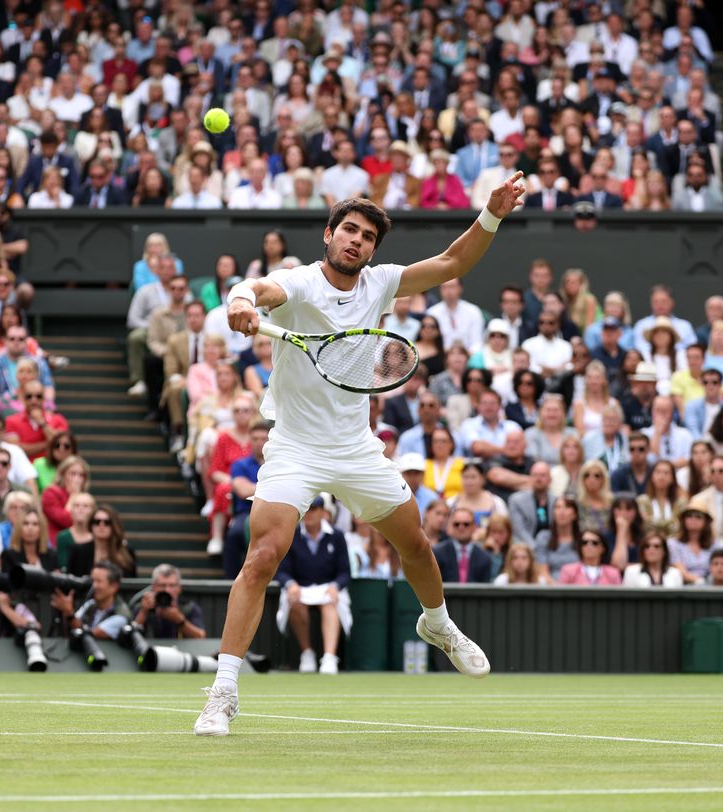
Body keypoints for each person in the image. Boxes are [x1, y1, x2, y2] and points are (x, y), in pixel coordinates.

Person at [195, 185, 525, 735]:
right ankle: (222, 692)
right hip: (296, 447)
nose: (357, 241)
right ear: (329, 235)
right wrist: (241, 302)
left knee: (415, 544)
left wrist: (491, 211)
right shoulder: (299, 282)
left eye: (367, 237)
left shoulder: (381, 283)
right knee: (263, 556)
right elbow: (257, 286)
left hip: (355, 447)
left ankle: (438, 624)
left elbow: (452, 260)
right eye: (349, 230)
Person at [273, 496, 352, 673]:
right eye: (306, 510)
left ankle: (329, 657)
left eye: (314, 509)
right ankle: (307, 653)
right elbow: (282, 570)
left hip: (327, 588)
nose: (309, 514)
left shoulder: (337, 536)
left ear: (323, 512)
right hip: (301, 588)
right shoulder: (291, 535)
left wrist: (336, 586)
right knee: (294, 602)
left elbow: (345, 572)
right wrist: (291, 584)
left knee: (331, 604)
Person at [557, 529, 622, 585]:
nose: (589, 546)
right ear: (580, 547)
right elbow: (561, 596)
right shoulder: (568, 571)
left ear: (603, 548)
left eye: (594, 543)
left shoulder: (613, 573)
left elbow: (619, 597)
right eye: (585, 542)